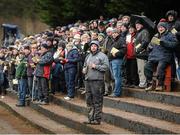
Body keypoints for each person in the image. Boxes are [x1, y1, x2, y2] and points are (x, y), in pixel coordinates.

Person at [144, 20, 177, 91]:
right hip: (154, 56)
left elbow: (174, 45)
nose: (160, 29)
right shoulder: (155, 35)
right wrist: (149, 47)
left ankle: (160, 85)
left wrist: (163, 43)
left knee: (160, 68)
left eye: (162, 27)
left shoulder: (170, 35)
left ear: (165, 28)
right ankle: (150, 83)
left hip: (165, 56)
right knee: (147, 67)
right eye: (159, 27)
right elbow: (149, 46)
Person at [83, 40, 109, 125]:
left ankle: (97, 119)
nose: (93, 47)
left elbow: (106, 67)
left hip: (97, 81)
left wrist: (96, 66)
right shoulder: (88, 56)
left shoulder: (103, 56)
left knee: (97, 100)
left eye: (95, 46)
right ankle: (90, 118)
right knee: (88, 100)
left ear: (98, 47)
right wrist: (84, 69)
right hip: (88, 80)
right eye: (92, 46)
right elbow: (85, 65)